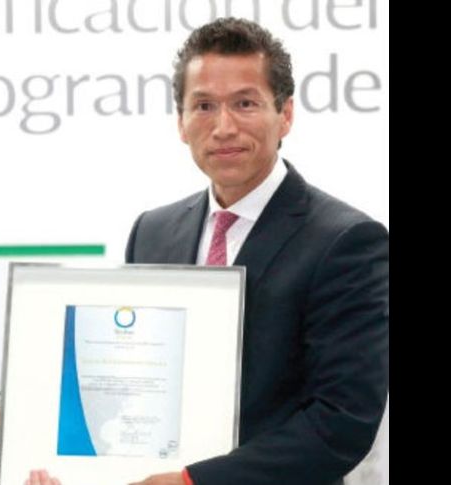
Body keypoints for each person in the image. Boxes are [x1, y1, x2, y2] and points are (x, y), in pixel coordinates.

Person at [123, 17, 389, 485]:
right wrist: (5, 412)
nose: (223, 127)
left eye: (245, 103)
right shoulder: (152, 232)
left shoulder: (348, 242)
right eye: (203, 106)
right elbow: (128, 373)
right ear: (181, 123)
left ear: (285, 114)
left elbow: (341, 423)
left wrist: (195, 481)